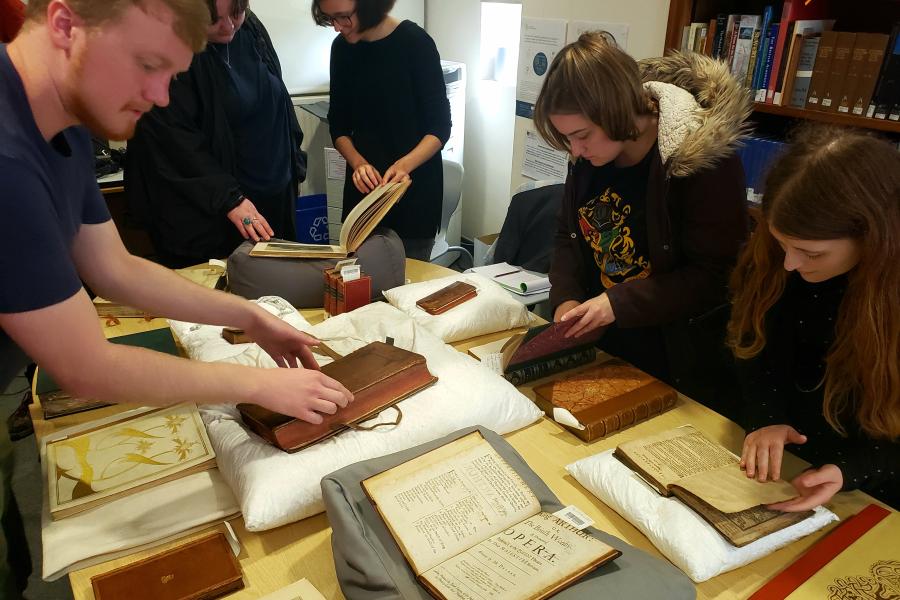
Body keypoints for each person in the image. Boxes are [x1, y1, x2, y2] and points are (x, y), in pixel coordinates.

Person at [0, 0, 352, 595]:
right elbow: (85, 366)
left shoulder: (61, 121)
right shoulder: (7, 158)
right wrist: (257, 385)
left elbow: (114, 268)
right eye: (148, 65)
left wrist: (248, 315)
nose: (162, 97)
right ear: (64, 25)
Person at [532, 32, 750, 407]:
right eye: (567, 139)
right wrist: (565, 299)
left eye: (581, 136)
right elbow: (568, 235)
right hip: (607, 348)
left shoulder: (701, 158)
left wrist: (617, 303)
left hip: (677, 361)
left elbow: (715, 276)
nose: (576, 151)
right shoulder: (590, 156)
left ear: (616, 110)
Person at [728, 125, 900, 511]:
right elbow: (753, 345)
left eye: (812, 253)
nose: (790, 263)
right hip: (793, 463)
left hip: (874, 488)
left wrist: (848, 470)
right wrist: (766, 418)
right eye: (781, 243)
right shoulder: (778, 256)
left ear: (874, 236)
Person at [126, 0, 307, 267]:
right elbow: (175, 144)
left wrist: (294, 161)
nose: (229, 26)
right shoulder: (169, 51)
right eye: (214, 20)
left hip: (272, 198)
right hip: (212, 213)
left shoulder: (250, 29)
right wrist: (229, 199)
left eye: (237, 13)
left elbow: (277, 96)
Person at [313, 0, 451, 261]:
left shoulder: (415, 43)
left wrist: (404, 165)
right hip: (363, 197)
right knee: (357, 287)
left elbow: (440, 127)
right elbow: (339, 124)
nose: (337, 28)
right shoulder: (342, 48)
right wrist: (358, 163)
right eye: (330, 19)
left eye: (343, 17)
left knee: (407, 289)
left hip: (413, 195)